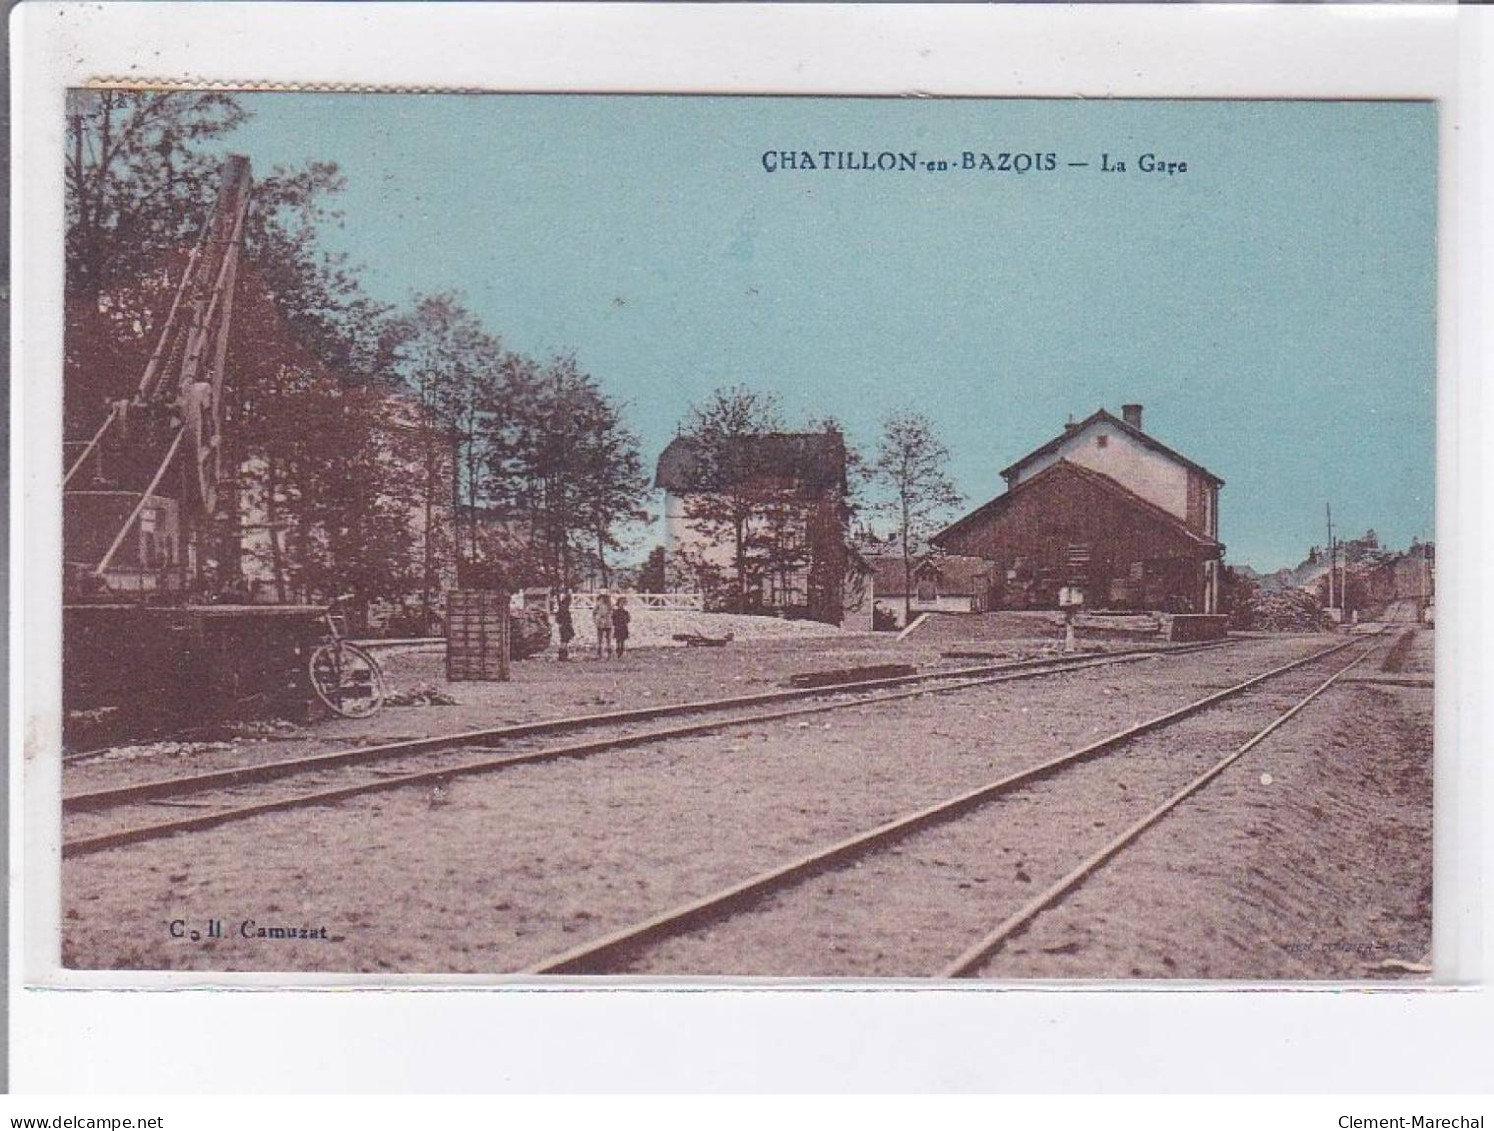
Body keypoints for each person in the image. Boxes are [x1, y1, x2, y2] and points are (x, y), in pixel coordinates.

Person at [554, 591, 574, 662]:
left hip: (562, 626)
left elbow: (557, 619)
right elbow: (568, 620)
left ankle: (562, 656)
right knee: (564, 641)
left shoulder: (561, 607)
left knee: (563, 641)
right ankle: (563, 656)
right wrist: (571, 630)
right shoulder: (565, 609)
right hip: (566, 626)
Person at [593, 591, 614, 657]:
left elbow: (612, 611)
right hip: (601, 622)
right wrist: (596, 619)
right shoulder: (599, 603)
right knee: (600, 639)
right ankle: (600, 654)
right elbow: (594, 612)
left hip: (607, 622)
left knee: (608, 639)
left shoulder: (610, 603)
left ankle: (608, 653)